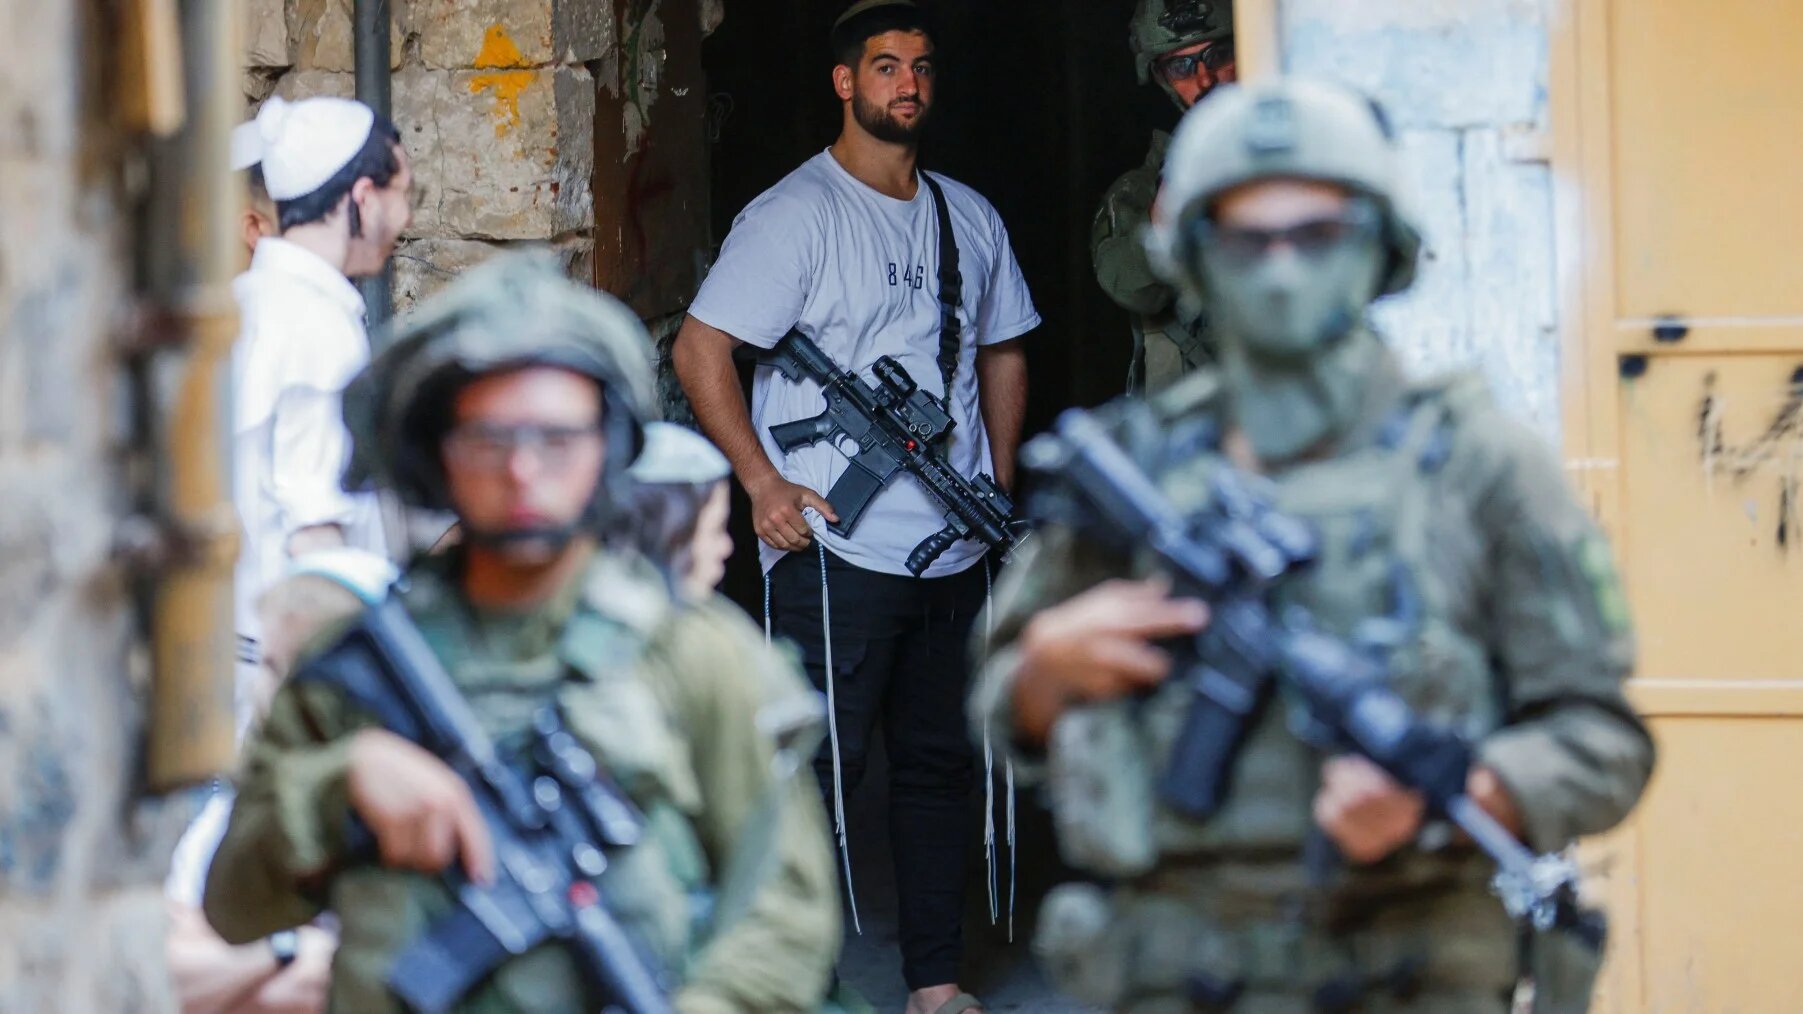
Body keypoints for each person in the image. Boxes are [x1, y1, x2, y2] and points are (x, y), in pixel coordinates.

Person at [971, 79, 1655, 1012]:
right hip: (1174, 972)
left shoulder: (1476, 464)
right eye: (1244, 238)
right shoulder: (1133, 468)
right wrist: (1045, 673)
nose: (1282, 270)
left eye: (1319, 233)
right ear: (1190, 258)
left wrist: (1467, 794)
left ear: (1381, 249)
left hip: (1405, 972)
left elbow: (1603, 740)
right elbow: (1002, 708)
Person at [202, 252, 842, 1013]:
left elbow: (786, 917)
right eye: (489, 440)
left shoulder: (696, 655)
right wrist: (340, 787)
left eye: (557, 439)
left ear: (607, 448)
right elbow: (234, 905)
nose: (523, 472)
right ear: (436, 454)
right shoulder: (356, 667)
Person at [672, 3, 1038, 1010]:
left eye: (920, 66)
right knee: (810, 779)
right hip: (836, 554)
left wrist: (997, 482)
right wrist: (761, 480)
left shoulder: (968, 217)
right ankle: (801, 986)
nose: (906, 84)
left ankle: (936, 984)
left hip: (952, 552)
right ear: (845, 82)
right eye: (884, 66)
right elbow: (702, 349)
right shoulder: (796, 216)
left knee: (939, 770)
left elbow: (1004, 349)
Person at [231, 94, 412, 729]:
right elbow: (315, 533)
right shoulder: (317, 329)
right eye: (404, 194)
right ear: (364, 199)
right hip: (290, 669)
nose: (406, 217)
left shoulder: (248, 299)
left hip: (235, 649)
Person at [1091, 0, 1236, 395]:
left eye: (1218, 55)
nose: (1204, 79)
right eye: (1181, 67)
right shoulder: (1140, 191)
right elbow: (1131, 287)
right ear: (1161, 77)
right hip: (1197, 415)